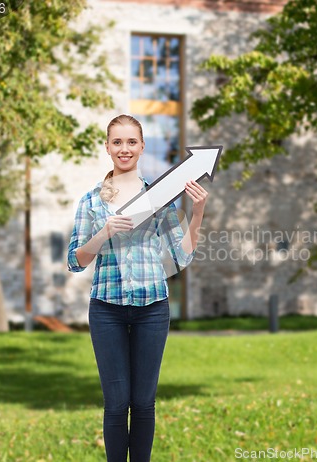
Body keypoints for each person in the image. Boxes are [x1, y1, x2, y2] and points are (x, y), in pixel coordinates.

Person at [67, 114, 208, 462]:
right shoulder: (91, 202)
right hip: (106, 310)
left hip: (152, 309)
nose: (124, 148)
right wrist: (104, 233)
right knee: (116, 405)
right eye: (117, 142)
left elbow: (182, 255)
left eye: (132, 142)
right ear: (107, 147)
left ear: (142, 147)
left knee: (143, 403)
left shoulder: (159, 198)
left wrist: (199, 210)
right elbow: (75, 260)